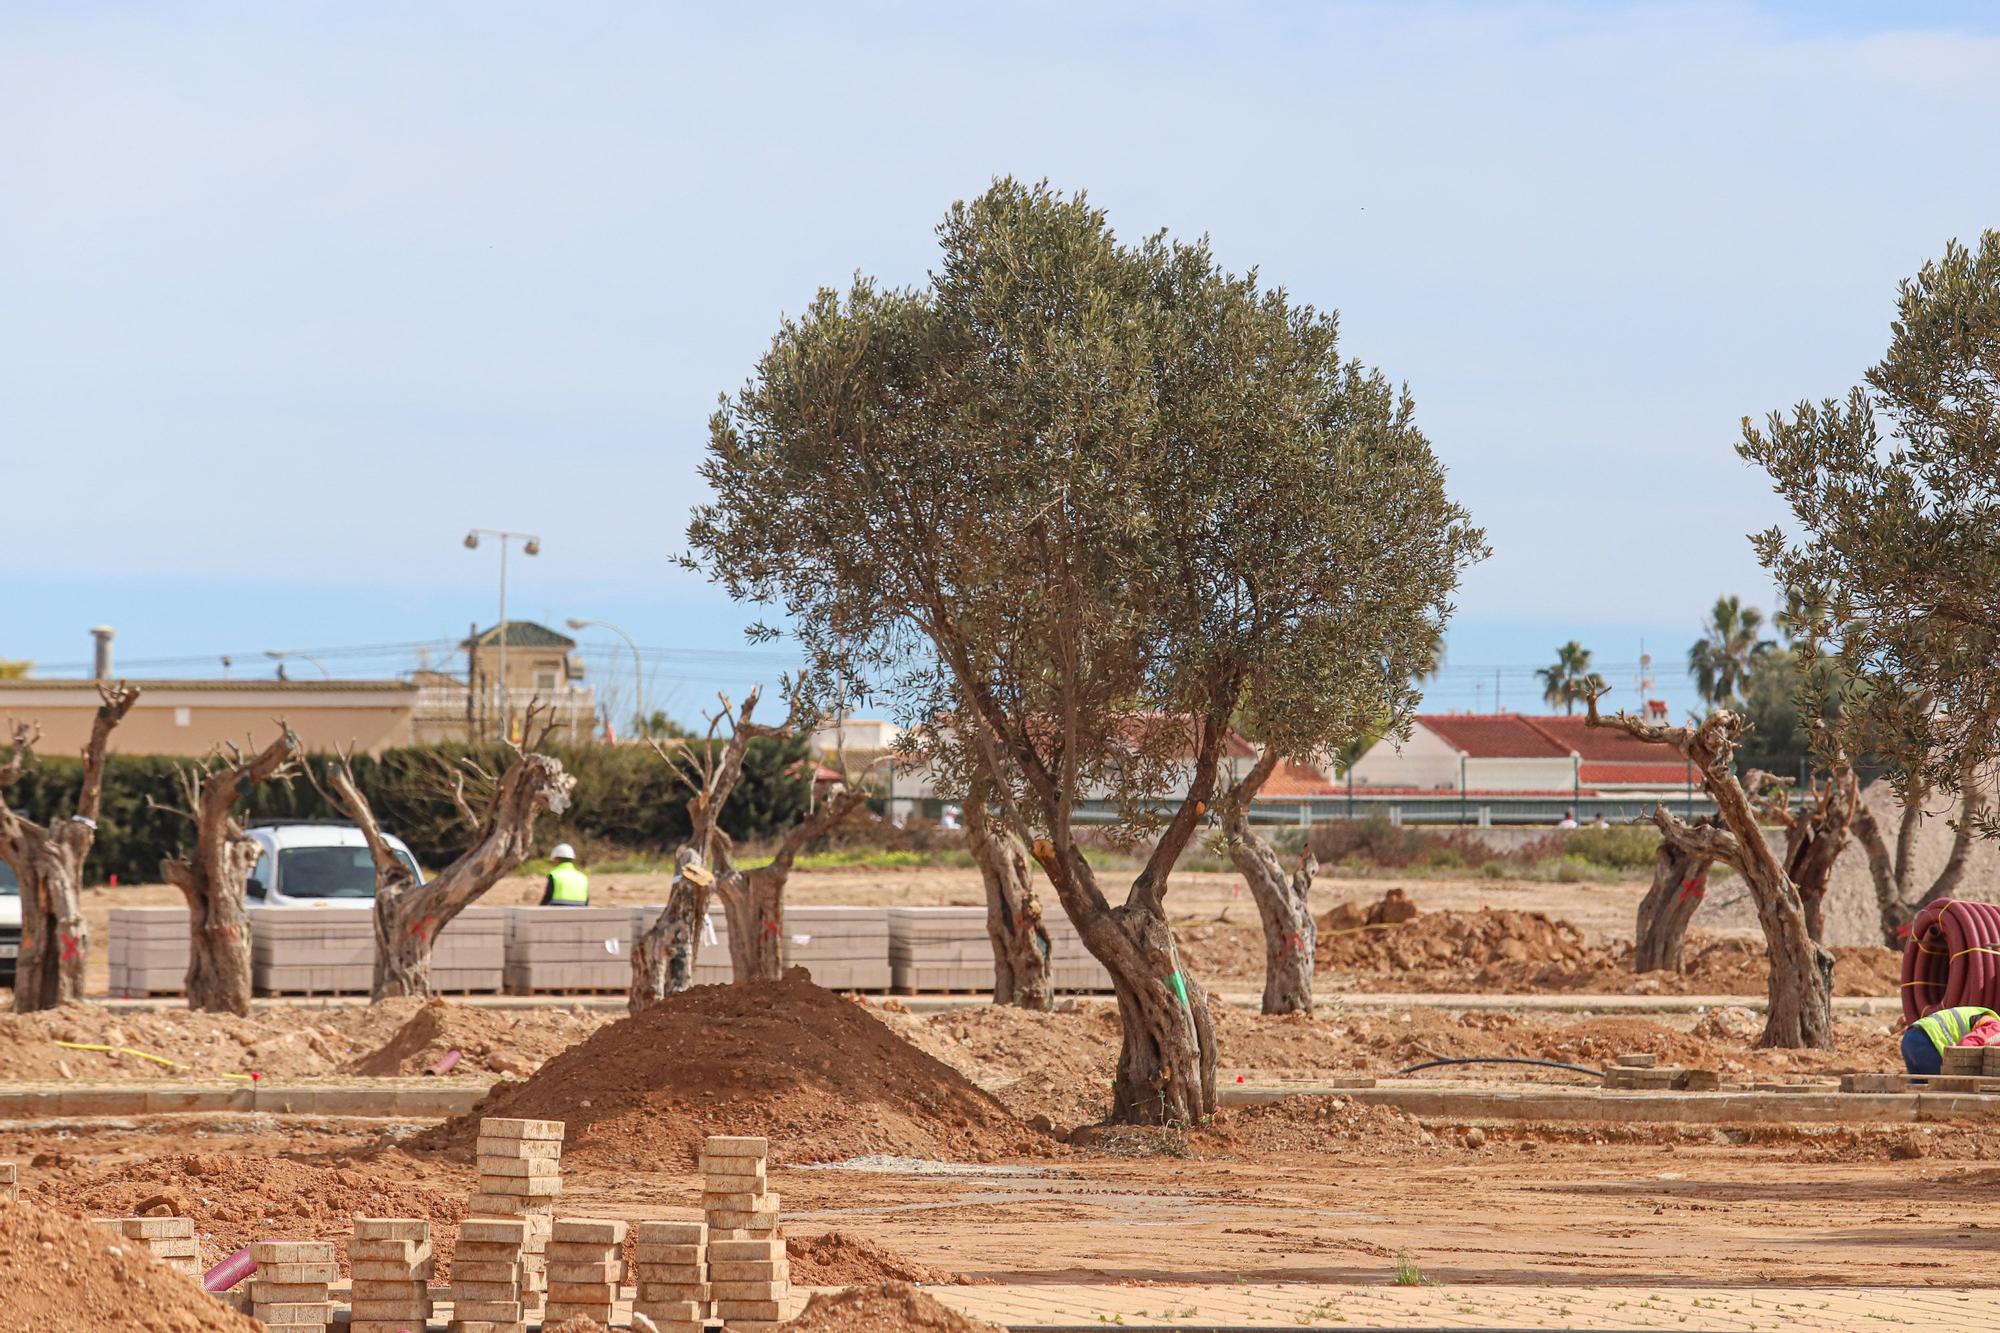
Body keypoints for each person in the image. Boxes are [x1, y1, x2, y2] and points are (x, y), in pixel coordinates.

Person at [1900, 1004, 2000, 1075]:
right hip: (1928, 1041)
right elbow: (1966, 1045)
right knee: (1948, 1091)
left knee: (1920, 1097)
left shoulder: (1986, 1018)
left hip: (1910, 1038)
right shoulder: (1997, 1030)